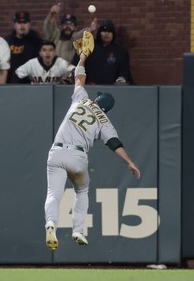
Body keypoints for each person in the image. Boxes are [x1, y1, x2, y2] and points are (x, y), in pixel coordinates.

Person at [44, 34, 141, 251]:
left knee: (53, 194)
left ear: (97, 101)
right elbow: (115, 143)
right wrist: (130, 162)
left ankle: (51, 223)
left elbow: (79, 77)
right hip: (78, 158)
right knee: (82, 192)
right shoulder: (104, 120)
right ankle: (78, 230)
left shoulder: (82, 100)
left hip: (57, 153)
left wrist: (83, 57)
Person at [76, 20, 132, 85]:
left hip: (112, 90)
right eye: (104, 31)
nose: (106, 34)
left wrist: (121, 79)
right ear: (99, 32)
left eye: (109, 31)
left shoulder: (121, 52)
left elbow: (124, 71)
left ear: (113, 34)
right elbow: (78, 65)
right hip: (89, 88)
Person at [5, 11, 43, 84]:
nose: (22, 26)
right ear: (14, 25)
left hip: (32, 84)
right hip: (11, 83)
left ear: (29, 24)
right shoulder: (7, 41)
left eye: (25, 23)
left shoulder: (37, 41)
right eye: (19, 23)